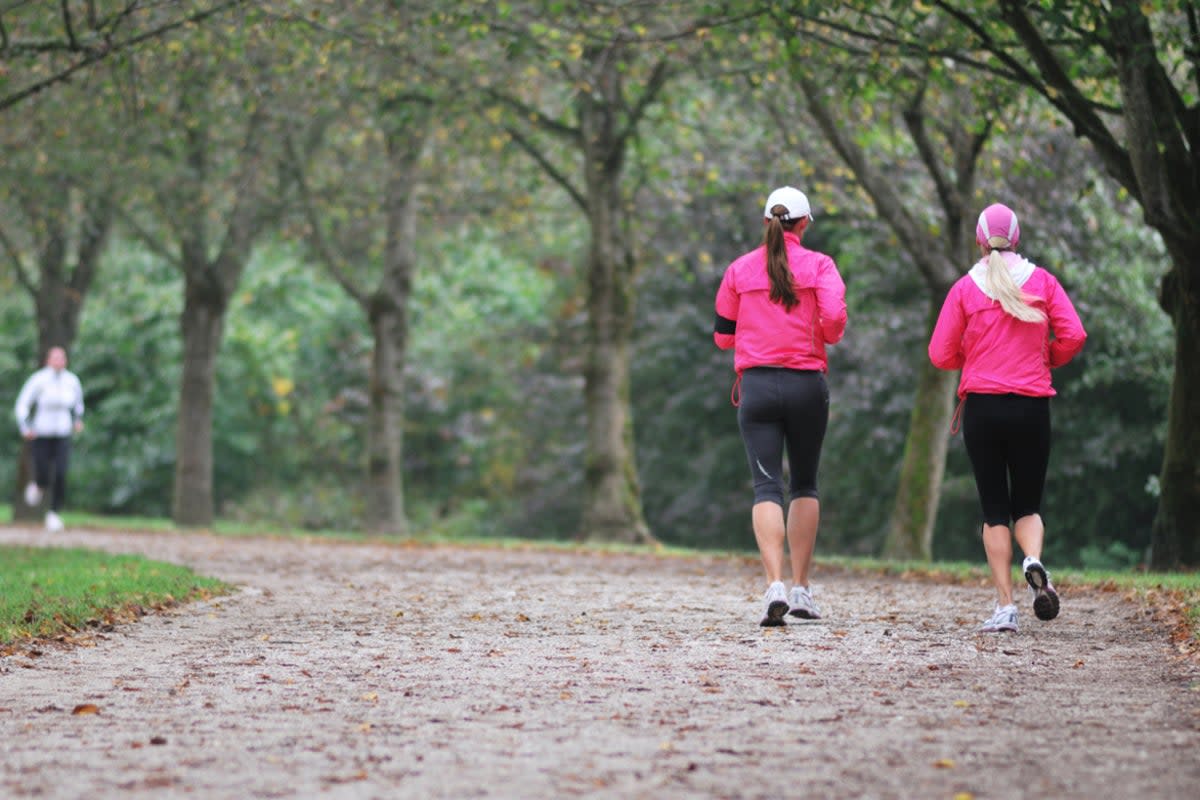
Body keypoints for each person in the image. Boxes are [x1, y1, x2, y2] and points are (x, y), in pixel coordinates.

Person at [929, 203, 1086, 633]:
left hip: (984, 407)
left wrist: (974, 357)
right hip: (1032, 406)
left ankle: (1004, 608)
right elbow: (1074, 334)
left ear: (979, 240)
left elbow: (939, 353)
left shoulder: (965, 288)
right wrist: (1046, 358)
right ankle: (1033, 560)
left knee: (994, 510)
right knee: (1028, 505)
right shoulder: (1044, 282)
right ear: (1017, 238)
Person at [713, 186, 848, 627]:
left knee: (766, 487)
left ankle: (773, 584)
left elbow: (722, 334)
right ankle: (801, 589)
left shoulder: (738, 270)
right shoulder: (820, 266)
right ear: (805, 223)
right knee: (804, 484)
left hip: (756, 388)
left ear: (765, 223)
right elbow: (834, 324)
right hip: (807, 386)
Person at [14, 346, 85, 532]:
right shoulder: (39, 380)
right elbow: (23, 403)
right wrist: (25, 426)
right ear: (48, 360)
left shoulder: (72, 380)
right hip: (41, 432)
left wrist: (77, 420)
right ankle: (38, 484)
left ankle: (54, 513)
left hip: (62, 432)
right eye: (55, 358)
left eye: (61, 358)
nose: (58, 361)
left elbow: (78, 405)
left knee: (61, 473)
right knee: (43, 471)